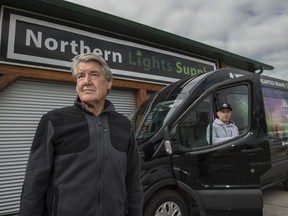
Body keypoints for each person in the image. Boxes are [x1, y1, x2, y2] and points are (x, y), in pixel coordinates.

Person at [19, 53, 143, 216]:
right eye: (80, 76)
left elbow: (133, 181)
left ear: (109, 82)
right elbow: (33, 183)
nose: (86, 81)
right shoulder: (54, 121)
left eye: (94, 74)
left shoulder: (124, 125)